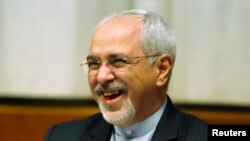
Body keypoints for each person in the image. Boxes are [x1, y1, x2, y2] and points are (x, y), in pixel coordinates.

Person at [45, 9, 207, 141]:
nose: (101, 77)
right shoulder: (61, 136)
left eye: (117, 61)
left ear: (162, 70)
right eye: (94, 63)